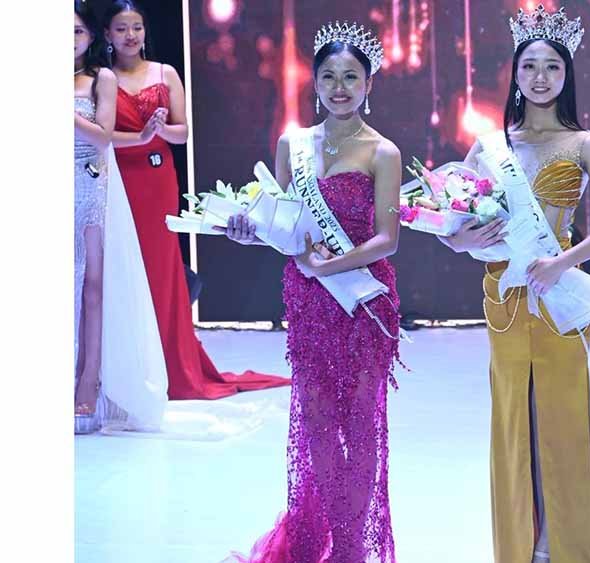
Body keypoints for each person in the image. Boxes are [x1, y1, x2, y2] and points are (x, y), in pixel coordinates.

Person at [438, 6, 590, 562]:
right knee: (512, 422)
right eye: (529, 66)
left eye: (552, 67)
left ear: (567, 75)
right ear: (515, 73)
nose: (540, 77)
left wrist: (563, 262)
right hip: (504, 295)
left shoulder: (584, 143)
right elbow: (451, 228)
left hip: (558, 296)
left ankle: (564, 549)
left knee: (562, 423)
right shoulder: (491, 147)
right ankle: (522, 549)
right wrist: (466, 240)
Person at [224, 21, 403, 563]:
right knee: (318, 422)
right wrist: (247, 230)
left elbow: (388, 239)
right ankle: (330, 538)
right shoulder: (294, 144)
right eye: (329, 76)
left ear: (368, 84)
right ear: (315, 83)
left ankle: (349, 548)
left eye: (351, 77)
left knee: (362, 423)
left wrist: (333, 265)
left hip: (365, 301)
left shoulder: (383, 152)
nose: (340, 87)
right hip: (309, 301)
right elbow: (282, 225)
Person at [106, 0, 288, 399]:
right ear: (108, 34)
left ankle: (171, 365)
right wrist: (137, 137)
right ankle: (130, 365)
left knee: (161, 265)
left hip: (156, 178)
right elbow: (102, 136)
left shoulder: (165, 73)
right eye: (121, 28)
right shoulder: (104, 78)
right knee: (122, 265)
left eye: (136, 27)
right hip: (118, 180)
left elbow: (182, 132)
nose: (130, 36)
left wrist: (157, 131)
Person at [74, 0, 167, 434]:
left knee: (92, 287)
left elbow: (104, 137)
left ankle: (88, 384)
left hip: (88, 185)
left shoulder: (101, 78)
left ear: (92, 36)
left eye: (76, 32)